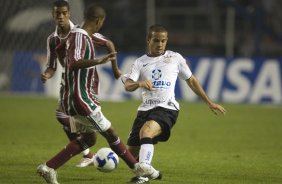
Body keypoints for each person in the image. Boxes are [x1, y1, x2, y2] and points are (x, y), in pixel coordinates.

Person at [37, 4, 154, 184]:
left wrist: (114, 69)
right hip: (80, 97)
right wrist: (99, 61)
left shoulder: (76, 35)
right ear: (99, 21)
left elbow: (61, 49)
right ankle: (137, 168)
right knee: (110, 132)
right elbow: (75, 62)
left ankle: (49, 167)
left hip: (75, 96)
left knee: (90, 139)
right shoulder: (79, 37)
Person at [122, 24, 226, 183]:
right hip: (145, 110)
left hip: (167, 108)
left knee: (146, 131)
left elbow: (191, 80)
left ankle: (144, 170)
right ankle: (151, 175)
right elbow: (128, 85)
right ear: (148, 40)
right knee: (130, 155)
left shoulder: (175, 58)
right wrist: (140, 83)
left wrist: (209, 102)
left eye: (163, 41)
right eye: (156, 40)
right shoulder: (139, 62)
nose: (160, 44)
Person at [40, 0, 121, 168]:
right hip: (68, 83)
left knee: (66, 117)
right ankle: (87, 152)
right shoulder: (52, 40)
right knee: (64, 117)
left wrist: (115, 69)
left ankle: (86, 152)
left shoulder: (81, 31)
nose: (61, 17)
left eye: (64, 13)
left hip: (83, 84)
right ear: (53, 15)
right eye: (57, 14)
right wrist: (46, 74)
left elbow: (108, 42)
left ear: (69, 13)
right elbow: (52, 66)